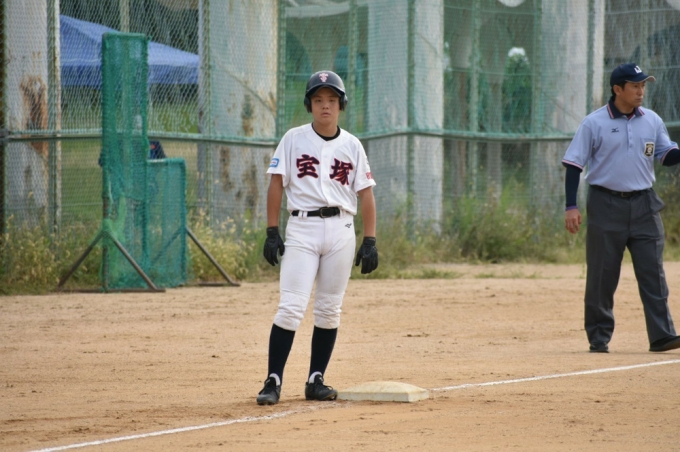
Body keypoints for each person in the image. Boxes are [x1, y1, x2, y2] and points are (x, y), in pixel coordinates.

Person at [257, 70, 378, 405]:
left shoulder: (352, 145)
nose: (326, 105)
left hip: (341, 230)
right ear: (309, 105)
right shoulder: (293, 139)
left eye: (332, 100)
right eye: (318, 99)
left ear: (341, 105)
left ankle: (316, 379)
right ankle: (273, 380)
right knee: (291, 307)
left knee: (329, 308)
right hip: (302, 228)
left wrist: (370, 240)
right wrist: (271, 231)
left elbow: (366, 194)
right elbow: (276, 183)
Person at [562, 62, 680, 354]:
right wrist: (571, 206)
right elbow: (574, 165)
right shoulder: (594, 122)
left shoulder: (652, 120)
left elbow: (666, 156)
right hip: (606, 203)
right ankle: (599, 337)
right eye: (635, 86)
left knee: (653, 272)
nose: (641, 91)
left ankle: (662, 336)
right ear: (617, 89)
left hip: (645, 205)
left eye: (643, 85)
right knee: (602, 274)